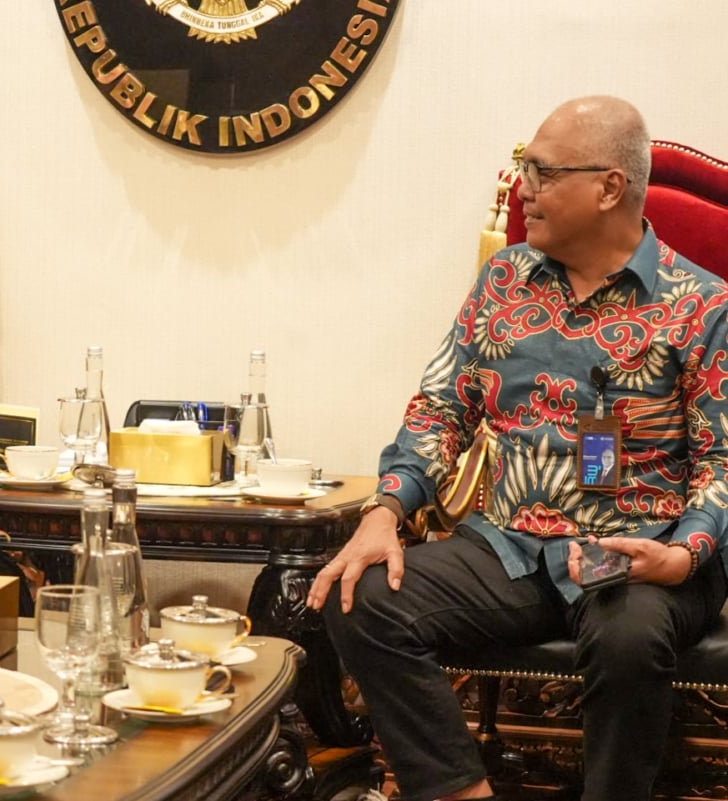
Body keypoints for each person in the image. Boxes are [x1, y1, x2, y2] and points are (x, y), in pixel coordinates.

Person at [308, 96, 728, 801]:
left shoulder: (703, 304)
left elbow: (722, 462)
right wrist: (385, 511)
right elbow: (442, 407)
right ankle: (459, 791)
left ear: (609, 188)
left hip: (638, 552)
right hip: (512, 545)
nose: (522, 188)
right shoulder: (503, 280)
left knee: (629, 641)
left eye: (542, 171)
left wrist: (685, 553)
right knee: (360, 597)